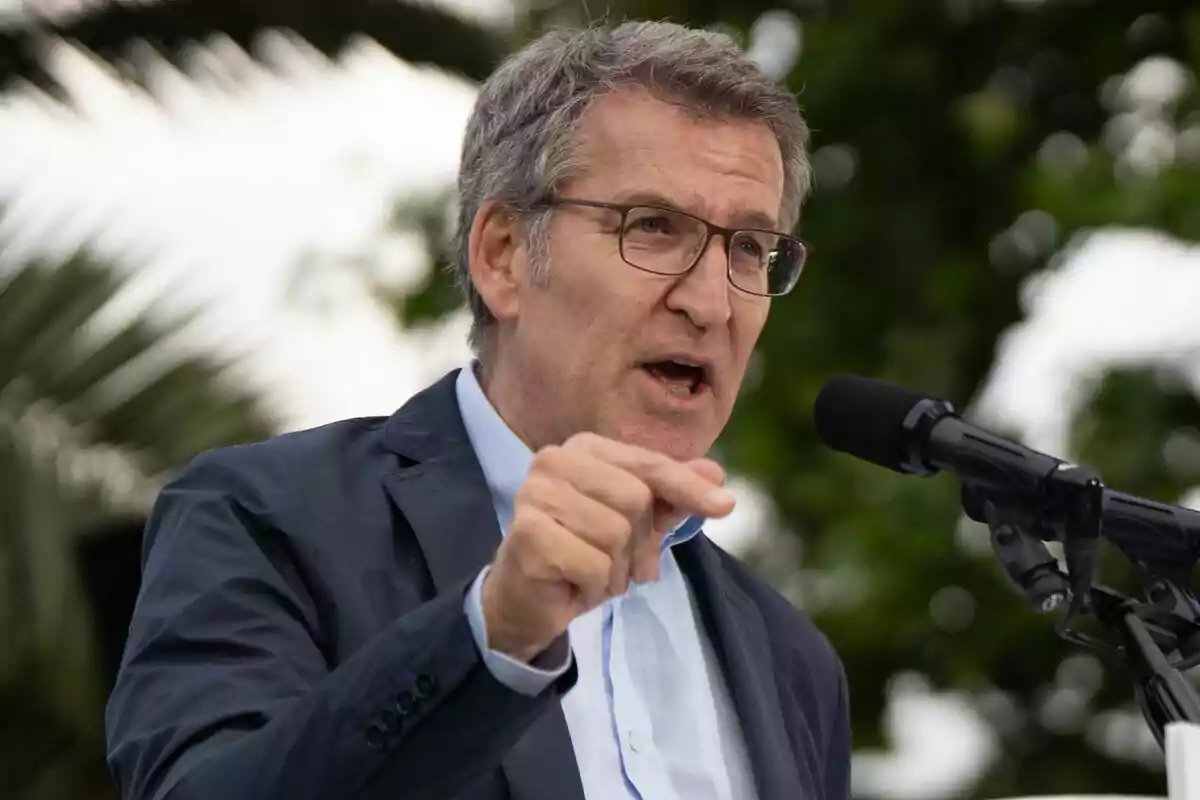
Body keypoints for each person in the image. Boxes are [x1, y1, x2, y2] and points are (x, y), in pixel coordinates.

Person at [105, 19, 851, 800]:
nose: (712, 303)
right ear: (501, 255)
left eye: (746, 250)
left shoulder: (793, 659)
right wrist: (492, 632)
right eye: (654, 228)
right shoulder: (266, 518)